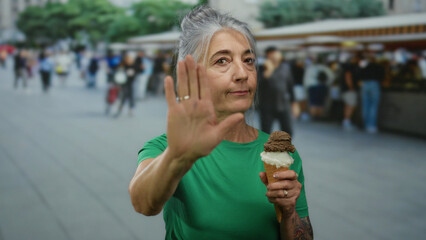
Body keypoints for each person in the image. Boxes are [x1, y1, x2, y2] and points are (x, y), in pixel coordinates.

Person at [129, 6, 313, 240]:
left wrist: (288, 213)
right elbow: (143, 203)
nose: (242, 73)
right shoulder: (168, 149)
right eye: (222, 61)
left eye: (248, 60)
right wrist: (177, 158)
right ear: (192, 74)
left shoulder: (280, 153)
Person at [258, 46, 295, 136]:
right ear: (268, 55)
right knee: (265, 131)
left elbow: (290, 86)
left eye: (276, 53)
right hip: (267, 105)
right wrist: (268, 72)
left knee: (288, 130)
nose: (275, 56)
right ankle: (265, 149)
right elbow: (257, 85)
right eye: (272, 53)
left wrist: (294, 103)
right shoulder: (261, 68)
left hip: (283, 104)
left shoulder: (285, 68)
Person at [358, 54, 385, 133]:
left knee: (365, 105)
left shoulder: (364, 67)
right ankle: (371, 125)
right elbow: (382, 77)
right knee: (374, 105)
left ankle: (365, 124)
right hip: (374, 84)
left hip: (364, 84)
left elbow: (359, 75)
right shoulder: (379, 67)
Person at [114, 53, 138, 117]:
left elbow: (138, 71)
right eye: (127, 58)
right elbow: (116, 69)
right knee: (123, 95)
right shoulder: (122, 64)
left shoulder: (134, 65)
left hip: (131, 82)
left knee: (131, 96)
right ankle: (120, 108)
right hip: (123, 83)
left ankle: (131, 109)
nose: (128, 60)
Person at [340, 55, 360, 130]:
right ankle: (347, 121)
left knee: (348, 105)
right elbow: (348, 76)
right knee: (351, 105)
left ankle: (346, 121)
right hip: (349, 90)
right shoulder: (350, 67)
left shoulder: (346, 67)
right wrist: (351, 87)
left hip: (346, 89)